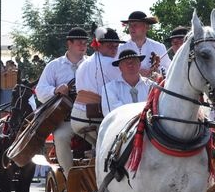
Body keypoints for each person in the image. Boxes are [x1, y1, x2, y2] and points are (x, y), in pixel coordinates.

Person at [35, 27, 89, 177]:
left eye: (85, 43)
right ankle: (69, 177)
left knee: (105, 137)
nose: (83, 46)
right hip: (66, 119)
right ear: (69, 44)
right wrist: (55, 90)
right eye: (79, 42)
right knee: (60, 137)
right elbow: (40, 91)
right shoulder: (54, 66)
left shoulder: (92, 64)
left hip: (89, 117)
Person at [71, 27, 124, 145]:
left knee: (100, 148)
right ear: (99, 45)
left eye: (116, 46)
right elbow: (124, 86)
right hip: (93, 117)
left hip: (76, 118)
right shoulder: (111, 64)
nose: (114, 49)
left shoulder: (83, 63)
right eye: (110, 46)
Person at [101, 49, 154, 116]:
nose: (130, 65)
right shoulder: (109, 88)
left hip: (148, 125)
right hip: (121, 125)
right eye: (126, 62)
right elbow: (113, 113)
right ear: (120, 67)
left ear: (139, 64)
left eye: (134, 61)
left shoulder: (152, 86)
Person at [119, 11, 171, 78]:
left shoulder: (159, 47)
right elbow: (115, 71)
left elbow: (168, 68)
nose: (131, 28)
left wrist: (156, 72)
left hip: (154, 87)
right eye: (130, 25)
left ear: (146, 27)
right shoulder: (120, 48)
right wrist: (135, 72)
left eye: (135, 25)